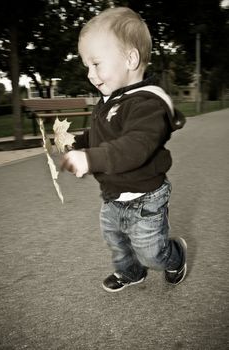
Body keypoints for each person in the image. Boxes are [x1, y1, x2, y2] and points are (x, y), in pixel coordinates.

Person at [61, 7, 187, 292]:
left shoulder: (147, 104)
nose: (90, 74)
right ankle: (130, 272)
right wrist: (78, 144)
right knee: (116, 241)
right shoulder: (109, 101)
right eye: (86, 67)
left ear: (130, 58)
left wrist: (91, 159)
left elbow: (135, 147)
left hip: (146, 196)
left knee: (151, 251)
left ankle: (174, 255)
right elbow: (97, 135)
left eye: (96, 63)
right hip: (113, 194)